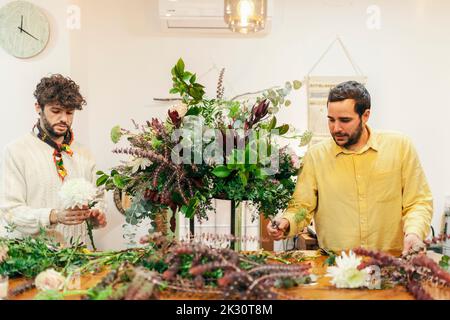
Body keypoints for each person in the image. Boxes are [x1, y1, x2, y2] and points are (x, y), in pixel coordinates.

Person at [267, 81, 433, 254]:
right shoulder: (316, 156)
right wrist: (286, 222)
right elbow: (302, 206)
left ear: (365, 115)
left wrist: (414, 233)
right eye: (331, 120)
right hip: (335, 266)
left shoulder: (400, 147)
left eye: (345, 120)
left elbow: (418, 201)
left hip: (391, 263)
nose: (336, 128)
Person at [0, 74, 107, 246]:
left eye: (69, 112)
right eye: (56, 111)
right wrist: (54, 216)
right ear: (38, 108)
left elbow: (99, 199)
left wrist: (96, 214)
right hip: (33, 259)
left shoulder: (84, 154)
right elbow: (11, 211)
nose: (64, 119)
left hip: (79, 258)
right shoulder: (16, 151)